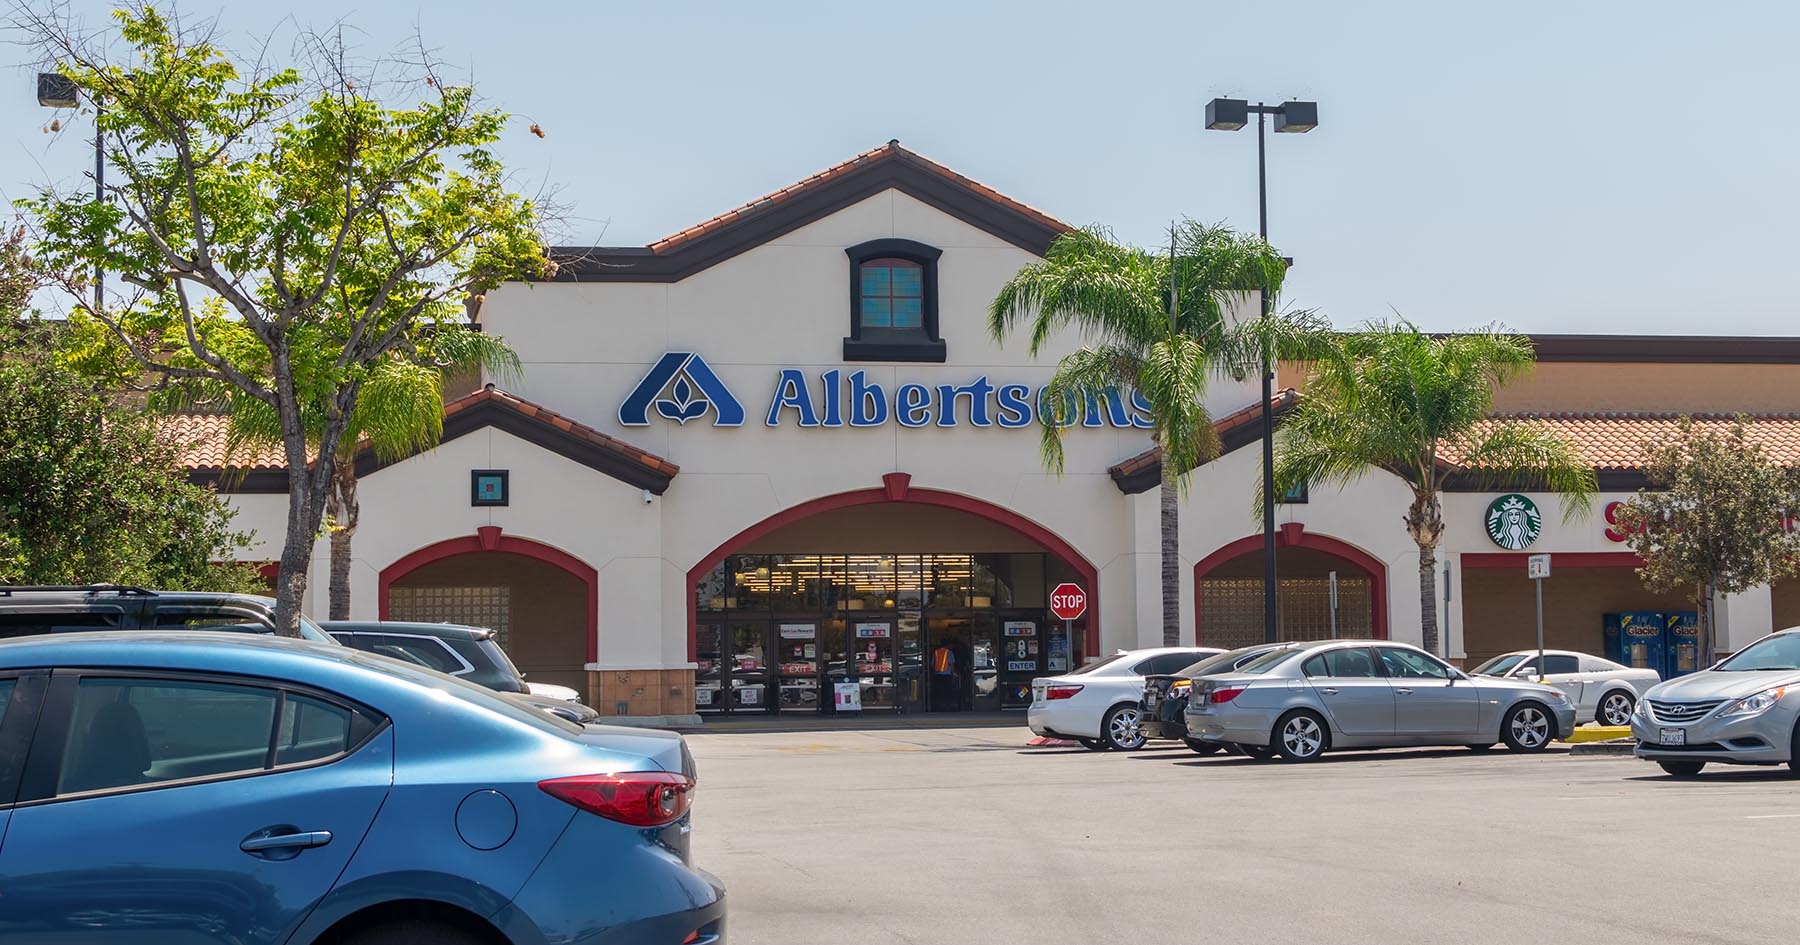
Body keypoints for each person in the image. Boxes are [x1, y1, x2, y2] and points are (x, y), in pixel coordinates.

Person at [931, 639, 959, 711]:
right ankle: (947, 706)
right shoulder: (949, 652)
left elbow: (932, 664)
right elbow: (952, 664)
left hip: (938, 674)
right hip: (947, 675)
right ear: (947, 645)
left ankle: (939, 706)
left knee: (939, 691)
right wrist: (953, 673)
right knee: (948, 691)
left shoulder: (936, 652)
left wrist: (934, 673)